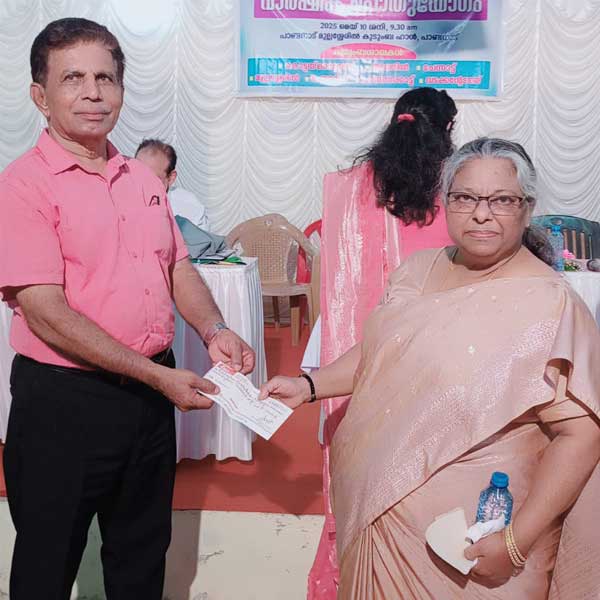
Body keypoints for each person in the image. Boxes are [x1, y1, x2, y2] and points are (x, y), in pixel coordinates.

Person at [261, 138, 600, 598]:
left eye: (501, 200)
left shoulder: (550, 303)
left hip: (475, 550)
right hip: (380, 527)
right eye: (465, 197)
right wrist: (308, 385)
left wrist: (515, 543)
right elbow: (381, 352)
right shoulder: (417, 270)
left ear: (527, 208)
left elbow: (581, 435)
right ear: (446, 202)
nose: (481, 214)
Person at [0, 18, 254, 600]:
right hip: (65, 403)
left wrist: (214, 329)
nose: (93, 93)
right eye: (73, 79)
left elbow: (177, 266)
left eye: (105, 78)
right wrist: (155, 377)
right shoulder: (22, 186)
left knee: (141, 557)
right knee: (46, 564)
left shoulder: (143, 179)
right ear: (40, 95)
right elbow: (45, 312)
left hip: (147, 402)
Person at [310, 87, 457, 596]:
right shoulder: (455, 190)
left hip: (352, 351)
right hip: (432, 355)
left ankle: (350, 573)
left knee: (359, 469)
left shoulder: (348, 187)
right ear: (447, 130)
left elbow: (335, 282)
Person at [135, 138, 210, 231]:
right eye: (137, 175)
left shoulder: (191, 209)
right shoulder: (121, 200)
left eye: (152, 179)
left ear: (171, 178)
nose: (142, 184)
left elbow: (201, 240)